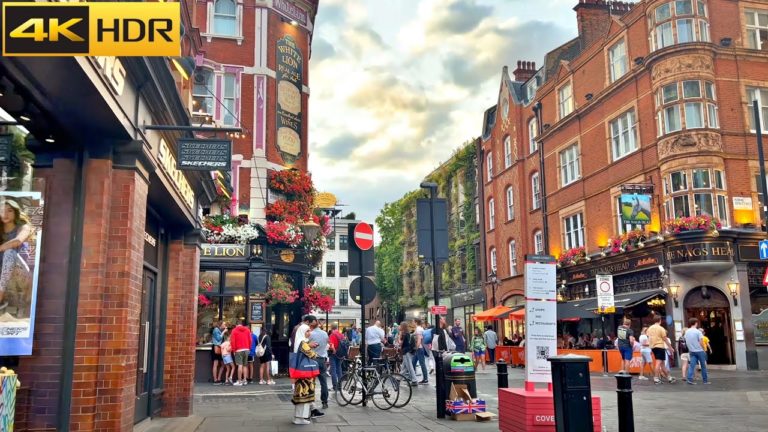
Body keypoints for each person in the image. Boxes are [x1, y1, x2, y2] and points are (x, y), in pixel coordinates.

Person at [0, 199, 34, 317]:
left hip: (21, 273)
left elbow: (18, 241)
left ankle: (0, 294)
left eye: (9, 211)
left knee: (9, 253)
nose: (5, 214)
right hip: (3, 273)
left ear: (15, 213)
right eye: (2, 211)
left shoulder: (24, 227)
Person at [293, 315, 323, 420]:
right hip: (305, 374)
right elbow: (312, 355)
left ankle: (299, 417)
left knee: (302, 397)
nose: (309, 333)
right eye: (307, 331)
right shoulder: (303, 343)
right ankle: (301, 418)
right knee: (304, 397)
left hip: (300, 373)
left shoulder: (300, 342)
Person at [647, 315, 676, 384]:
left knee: (662, 364)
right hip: (660, 346)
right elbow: (665, 339)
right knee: (658, 363)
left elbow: (648, 337)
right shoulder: (661, 328)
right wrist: (670, 347)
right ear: (660, 320)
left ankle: (669, 377)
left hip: (653, 347)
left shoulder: (649, 328)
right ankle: (656, 378)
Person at [310, 319, 330, 409]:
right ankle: (324, 402)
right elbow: (327, 343)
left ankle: (311, 401)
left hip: (312, 359)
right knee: (323, 382)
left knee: (311, 382)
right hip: (322, 359)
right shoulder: (325, 333)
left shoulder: (310, 334)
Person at [684, 318, 710, 385]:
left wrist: (690, 348)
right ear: (696, 323)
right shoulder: (698, 332)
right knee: (703, 366)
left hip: (692, 351)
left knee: (692, 366)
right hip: (699, 350)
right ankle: (705, 381)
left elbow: (686, 341)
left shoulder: (687, 331)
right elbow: (701, 342)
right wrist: (704, 349)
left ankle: (689, 379)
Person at [230, 320, 252, 386]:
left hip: (238, 350)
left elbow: (232, 341)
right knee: (245, 365)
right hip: (246, 349)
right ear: (241, 324)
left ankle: (239, 381)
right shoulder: (247, 330)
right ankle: (244, 380)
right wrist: (249, 348)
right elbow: (250, 340)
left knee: (240, 365)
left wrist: (234, 350)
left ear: (236, 324)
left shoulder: (234, 330)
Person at [328, 323, 346, 391]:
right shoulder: (341, 335)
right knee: (339, 369)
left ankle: (335, 386)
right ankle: (340, 386)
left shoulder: (332, 335)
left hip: (334, 354)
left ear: (331, 327)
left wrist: (334, 350)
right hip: (340, 354)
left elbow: (332, 345)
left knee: (333, 370)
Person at [412, 318, 429, 384]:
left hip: (419, 348)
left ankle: (425, 379)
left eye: (413, 321)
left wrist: (416, 347)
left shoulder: (418, 329)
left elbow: (419, 339)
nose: (412, 323)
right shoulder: (420, 328)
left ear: (416, 322)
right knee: (413, 362)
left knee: (422, 363)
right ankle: (413, 377)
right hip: (419, 348)